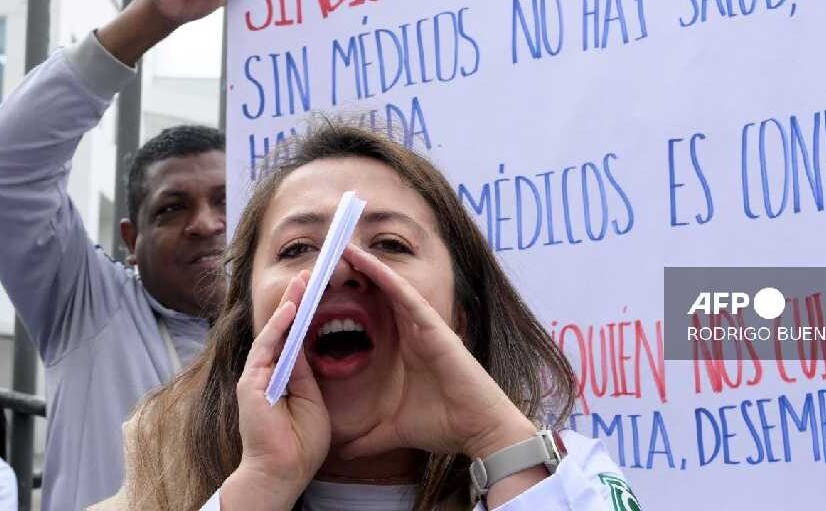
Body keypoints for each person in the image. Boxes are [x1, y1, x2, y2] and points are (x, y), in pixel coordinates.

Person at [95, 122, 638, 511]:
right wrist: (261, 485)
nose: (337, 268)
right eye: (298, 248)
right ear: (248, 321)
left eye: (390, 243)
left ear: (461, 316)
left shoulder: (568, 476)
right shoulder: (153, 491)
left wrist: (500, 444)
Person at [0, 0, 251, 508]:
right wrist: (152, 17)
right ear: (131, 241)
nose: (204, 224)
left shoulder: (295, 327)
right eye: (172, 208)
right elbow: (11, 165)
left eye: (226, 201)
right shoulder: (86, 305)